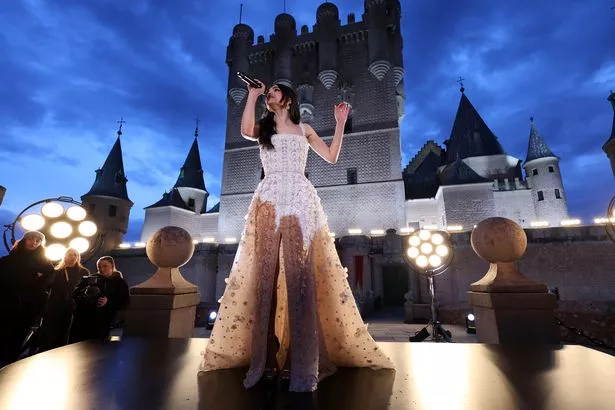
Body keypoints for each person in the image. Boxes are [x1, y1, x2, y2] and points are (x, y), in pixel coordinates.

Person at [199, 79, 394, 392]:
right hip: (268, 197)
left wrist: (340, 124)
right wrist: (252, 95)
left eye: (274, 91)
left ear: (288, 99)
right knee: (266, 274)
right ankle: (264, 358)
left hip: (300, 198)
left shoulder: (305, 129)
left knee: (299, 275)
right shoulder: (264, 128)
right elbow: (245, 129)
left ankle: (300, 360)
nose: (270, 94)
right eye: (268, 92)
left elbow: (331, 156)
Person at [0, 231, 56, 367]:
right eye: (31, 239)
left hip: (28, 308)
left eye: (37, 241)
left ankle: (8, 368)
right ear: (24, 240)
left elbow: (49, 278)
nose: (34, 243)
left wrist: (35, 283)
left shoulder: (45, 262)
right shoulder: (10, 259)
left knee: (18, 340)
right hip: (7, 304)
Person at [38, 248, 89, 351]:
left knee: (65, 334)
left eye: (75, 255)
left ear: (78, 257)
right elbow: (46, 286)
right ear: (65, 256)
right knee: (49, 334)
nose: (72, 257)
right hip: (54, 306)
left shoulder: (83, 272)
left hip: (71, 307)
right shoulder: (57, 271)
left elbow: (86, 290)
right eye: (70, 254)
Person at [70, 256, 129, 343]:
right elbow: (75, 294)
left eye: (105, 266)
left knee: (101, 345)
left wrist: (108, 302)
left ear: (112, 266)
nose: (101, 269)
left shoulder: (119, 282)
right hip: (85, 320)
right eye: (99, 267)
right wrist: (84, 293)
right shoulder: (90, 278)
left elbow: (124, 302)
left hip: (106, 321)